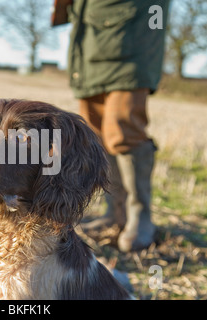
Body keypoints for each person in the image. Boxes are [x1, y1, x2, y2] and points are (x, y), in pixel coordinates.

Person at [64, 0, 170, 252]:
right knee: (94, 133)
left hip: (133, 32)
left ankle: (140, 216)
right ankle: (115, 212)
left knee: (124, 129)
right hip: (90, 36)